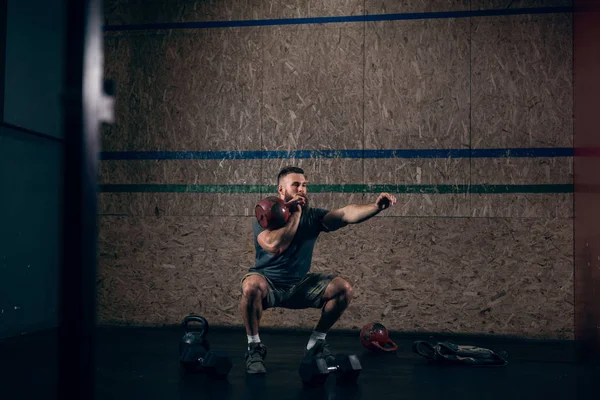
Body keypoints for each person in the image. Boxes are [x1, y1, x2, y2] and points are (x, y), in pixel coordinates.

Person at [240, 166, 397, 374]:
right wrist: (295, 214)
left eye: (304, 185)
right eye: (295, 185)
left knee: (343, 289)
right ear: (281, 189)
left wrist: (376, 207)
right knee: (251, 286)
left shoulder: (313, 217)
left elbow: (344, 214)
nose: (301, 189)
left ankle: (316, 343)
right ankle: (254, 347)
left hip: (299, 285)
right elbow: (275, 246)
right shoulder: (267, 215)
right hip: (267, 284)